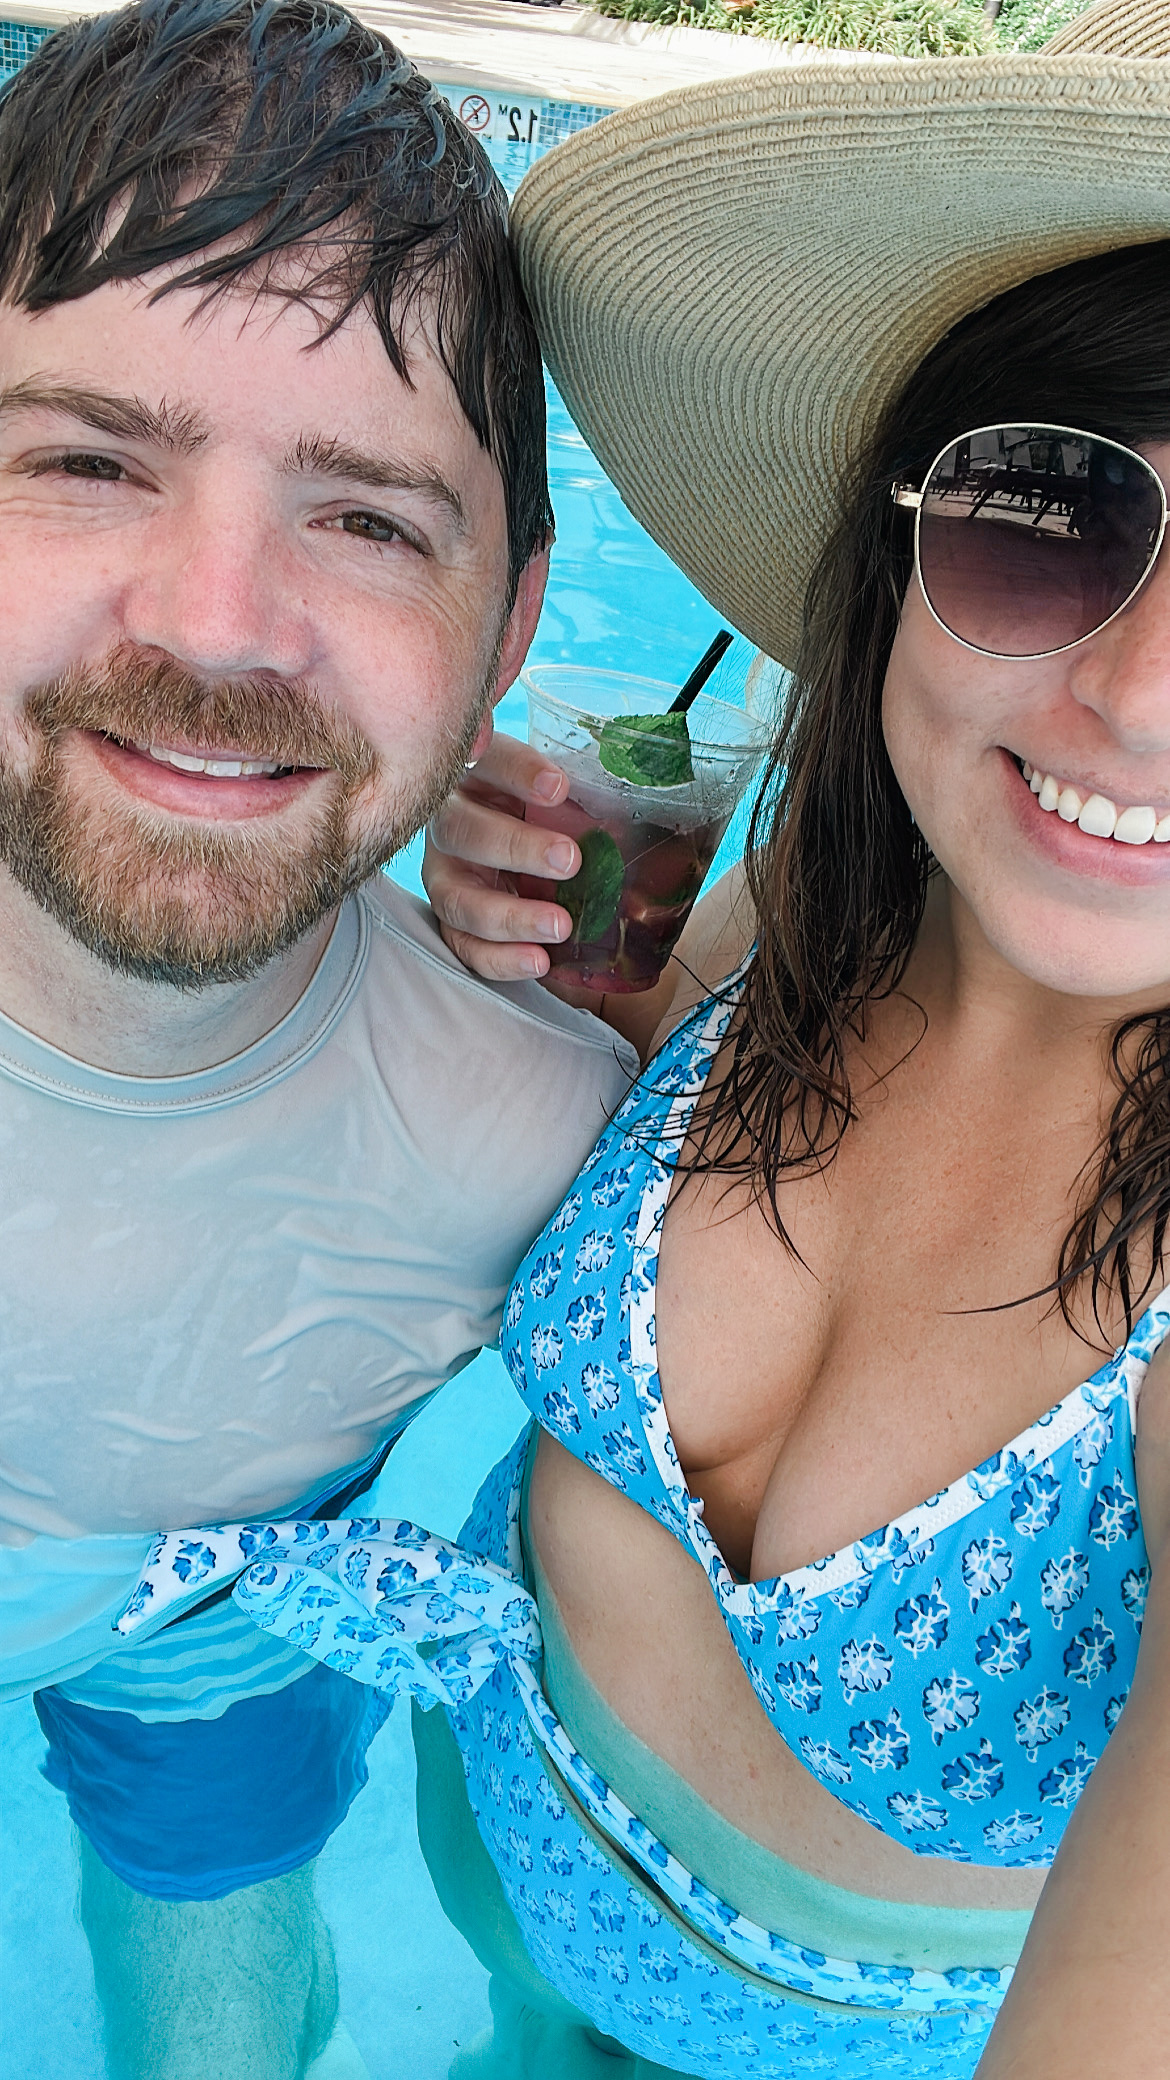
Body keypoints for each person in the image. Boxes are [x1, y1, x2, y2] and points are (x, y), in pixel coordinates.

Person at [304, 0, 1170, 2070]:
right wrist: (562, 999)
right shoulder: (812, 898)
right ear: (895, 551)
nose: (1137, 699)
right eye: (1050, 513)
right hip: (499, 1810)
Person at [0, 4, 637, 2076]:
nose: (218, 622)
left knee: (215, 2032)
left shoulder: (544, 1130)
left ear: (513, 627)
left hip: (210, 1643)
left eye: (368, 520)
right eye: (90, 461)